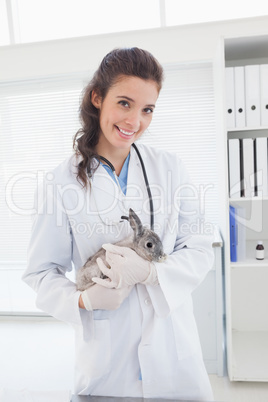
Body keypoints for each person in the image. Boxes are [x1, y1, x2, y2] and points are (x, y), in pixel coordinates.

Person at [23, 47, 214, 401]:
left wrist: (151, 273)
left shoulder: (170, 168)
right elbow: (41, 273)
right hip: (106, 372)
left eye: (147, 110)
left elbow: (201, 246)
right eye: (124, 103)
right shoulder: (60, 183)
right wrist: (83, 301)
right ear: (98, 98)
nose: (134, 121)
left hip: (175, 360)